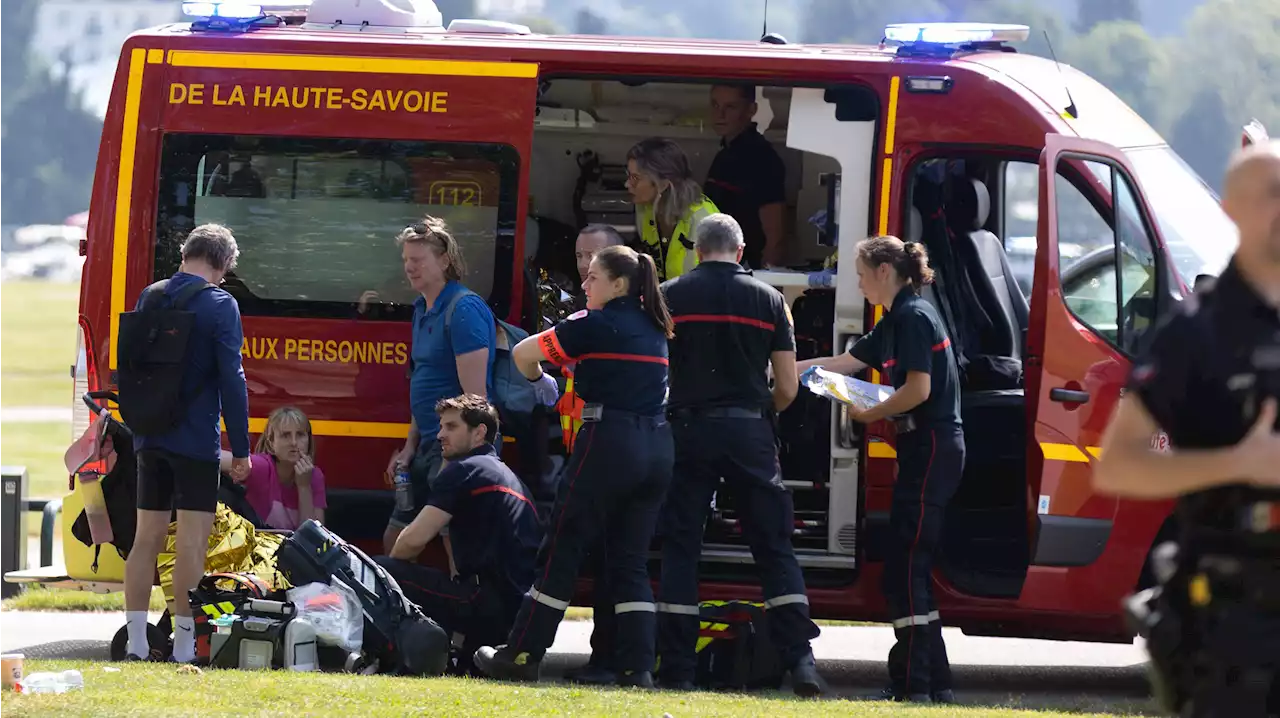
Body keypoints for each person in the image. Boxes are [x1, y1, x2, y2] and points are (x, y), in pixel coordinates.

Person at [1094, 141, 1280, 717]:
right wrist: (1239, 464)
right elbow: (1118, 464)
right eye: (1270, 196)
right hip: (1235, 627)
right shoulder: (1197, 334)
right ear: (1231, 210)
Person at [473, 245, 675, 687]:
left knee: (561, 548)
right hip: (658, 447)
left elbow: (526, 354)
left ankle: (522, 653)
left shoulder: (592, 323)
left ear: (618, 285)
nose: (584, 284)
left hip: (608, 443)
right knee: (630, 562)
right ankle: (635, 665)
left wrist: (540, 383)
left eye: (593, 278)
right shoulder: (655, 325)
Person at [656, 213, 823, 695]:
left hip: (686, 431)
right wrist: (756, 411)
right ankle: (800, 661)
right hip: (749, 432)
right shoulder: (770, 300)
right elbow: (788, 387)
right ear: (741, 249)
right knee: (774, 547)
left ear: (697, 249)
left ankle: (679, 669)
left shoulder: (669, 295)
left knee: (682, 546)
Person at [797, 235, 963, 704]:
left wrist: (869, 413)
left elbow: (917, 391)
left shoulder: (912, 318)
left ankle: (915, 685)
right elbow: (845, 363)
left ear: (884, 272)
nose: (859, 282)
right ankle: (936, 681)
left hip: (931, 445)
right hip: (923, 448)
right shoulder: (896, 319)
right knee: (911, 566)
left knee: (906, 568)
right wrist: (785, 370)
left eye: (861, 273)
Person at [123, 224, 251, 663]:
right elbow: (233, 381)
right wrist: (243, 448)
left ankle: (137, 642)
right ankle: (183, 644)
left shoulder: (150, 295)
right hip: (195, 441)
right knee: (193, 542)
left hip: (148, 436)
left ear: (185, 254)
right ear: (224, 265)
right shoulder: (220, 304)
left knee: (146, 540)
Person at [377, 394, 542, 673]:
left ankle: (388, 656)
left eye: (451, 427)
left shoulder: (464, 470)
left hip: (485, 603)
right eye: (441, 426)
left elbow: (411, 542)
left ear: (479, 433)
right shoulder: (510, 478)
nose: (440, 435)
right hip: (516, 614)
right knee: (465, 669)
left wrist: (389, 581)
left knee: (381, 569)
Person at [383, 215, 497, 554]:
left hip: (456, 447)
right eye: (405, 260)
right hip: (429, 444)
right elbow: (424, 380)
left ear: (444, 260)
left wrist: (454, 459)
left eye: (417, 260)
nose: (409, 268)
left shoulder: (463, 309)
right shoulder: (421, 309)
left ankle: (463, 603)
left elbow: (476, 401)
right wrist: (409, 446)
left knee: (455, 541)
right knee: (396, 540)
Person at [704, 83, 788, 270]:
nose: (720, 115)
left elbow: (775, 236)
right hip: (718, 265)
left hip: (746, 269)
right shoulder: (724, 155)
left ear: (751, 110)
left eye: (730, 107)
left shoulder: (761, 157)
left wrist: (765, 280)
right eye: (715, 105)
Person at [627, 137, 719, 282]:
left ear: (663, 184)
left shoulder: (705, 220)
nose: (627, 184)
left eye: (635, 178)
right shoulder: (644, 209)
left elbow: (717, 283)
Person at [219, 406, 326, 531]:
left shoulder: (314, 476)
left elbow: (313, 538)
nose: (294, 442)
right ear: (271, 443)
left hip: (294, 550)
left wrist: (304, 487)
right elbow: (216, 457)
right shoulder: (263, 467)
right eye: (285, 435)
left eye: (300, 435)